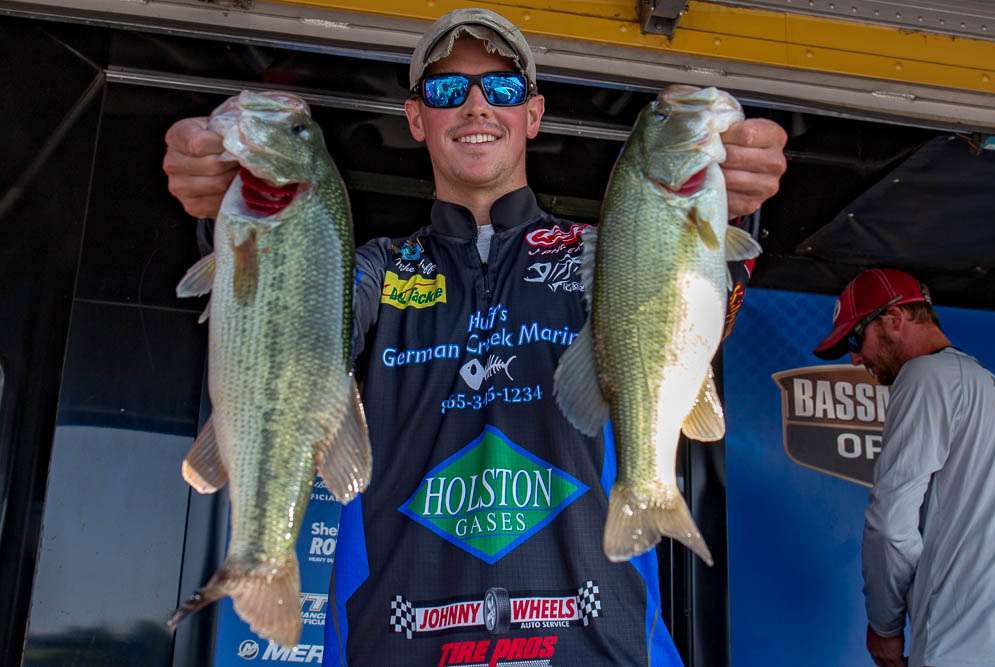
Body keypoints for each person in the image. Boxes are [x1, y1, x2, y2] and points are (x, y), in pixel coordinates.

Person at [164, 8, 788, 665]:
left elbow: (694, 323)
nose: (476, 105)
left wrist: (737, 209)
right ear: (416, 119)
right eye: (446, 89)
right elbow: (284, 322)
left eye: (503, 87)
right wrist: (224, 204)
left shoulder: (607, 254)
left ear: (533, 114)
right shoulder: (373, 268)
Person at [813, 268, 995, 667]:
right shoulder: (987, 383)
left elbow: (890, 526)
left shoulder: (925, 376)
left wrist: (884, 627)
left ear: (894, 319)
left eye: (855, 339)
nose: (855, 357)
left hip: (958, 647)